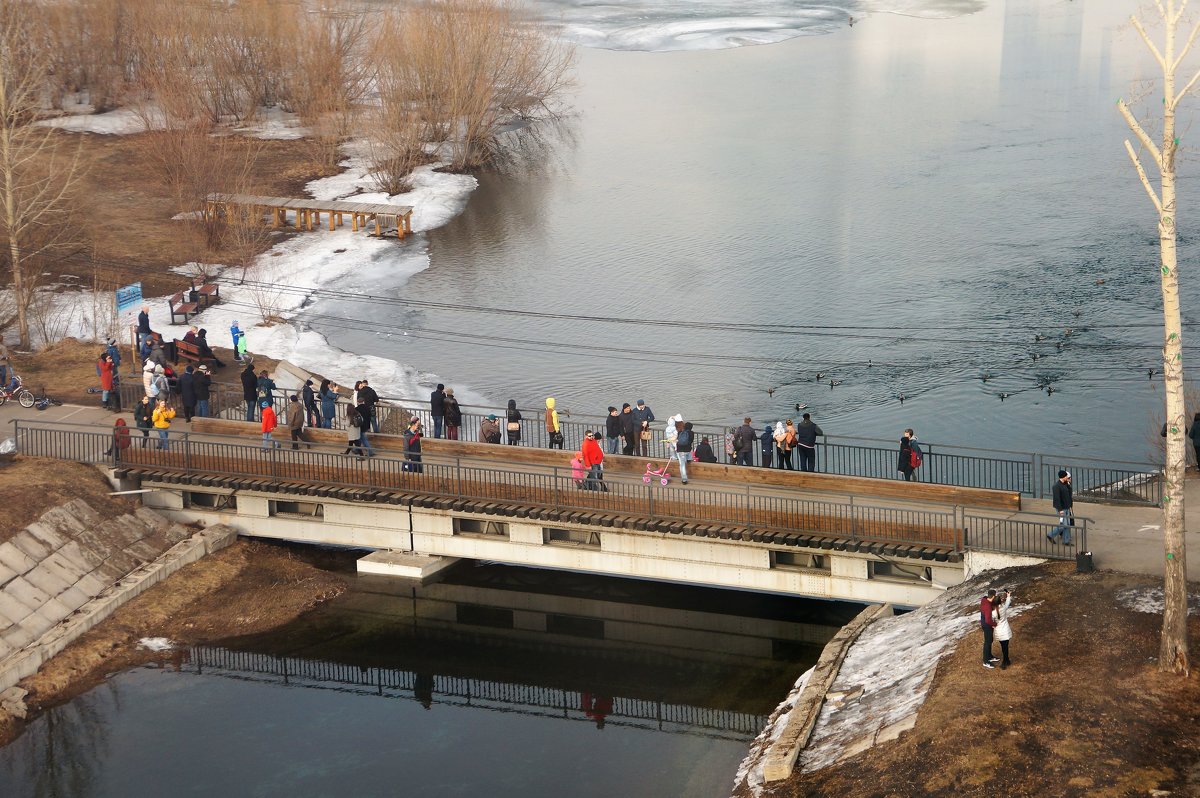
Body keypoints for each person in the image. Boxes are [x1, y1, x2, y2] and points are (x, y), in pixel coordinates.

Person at [1048, 470, 1073, 545]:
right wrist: (1060, 510)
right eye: (1066, 476)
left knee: (1067, 524)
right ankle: (1050, 535)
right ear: (1063, 477)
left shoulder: (1066, 484)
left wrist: (1070, 506)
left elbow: (1069, 495)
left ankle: (1066, 541)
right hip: (1061, 509)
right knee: (1064, 525)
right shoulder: (1056, 486)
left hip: (1067, 507)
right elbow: (1057, 499)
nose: (1067, 477)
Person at [993, 589, 1014, 669]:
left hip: (999, 632)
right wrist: (1008, 595)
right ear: (1000, 602)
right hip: (1006, 630)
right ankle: (1007, 660)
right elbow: (1008, 603)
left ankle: (1005, 662)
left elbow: (991, 621)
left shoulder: (993, 612)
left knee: (1003, 647)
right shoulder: (1004, 608)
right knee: (1006, 647)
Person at [980, 588, 999, 668]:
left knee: (990, 640)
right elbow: (988, 620)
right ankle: (985, 661)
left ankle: (990, 656)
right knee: (987, 642)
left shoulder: (984, 599)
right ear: (993, 596)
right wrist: (994, 624)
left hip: (985, 623)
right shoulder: (987, 606)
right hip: (987, 625)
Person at [675, 420, 694, 484]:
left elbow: (678, 440)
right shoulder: (691, 433)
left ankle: (684, 480)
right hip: (688, 450)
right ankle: (689, 459)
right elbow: (691, 441)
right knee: (688, 456)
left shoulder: (680, 432)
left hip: (680, 451)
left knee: (682, 465)